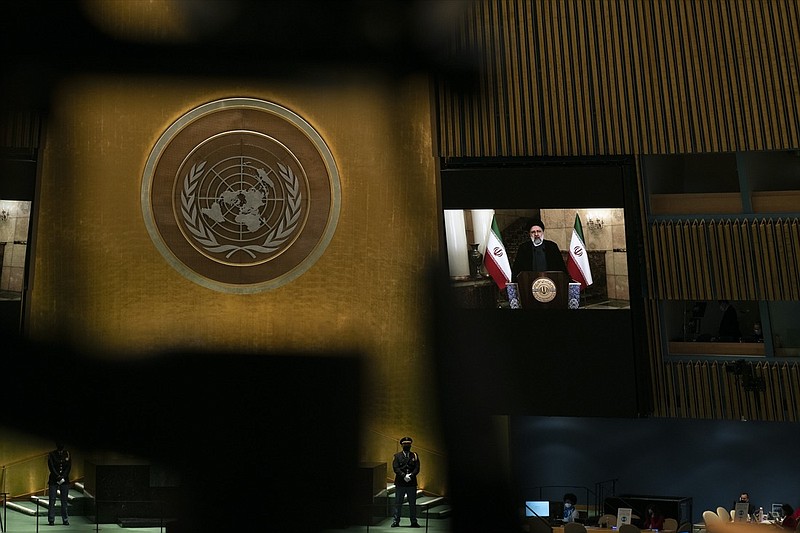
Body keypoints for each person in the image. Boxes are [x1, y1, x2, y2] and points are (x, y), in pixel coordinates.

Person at [392, 436, 421, 528]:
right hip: (400, 482)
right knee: (398, 503)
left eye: (408, 444)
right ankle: (396, 521)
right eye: (405, 444)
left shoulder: (414, 455)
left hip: (411, 483)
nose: (407, 446)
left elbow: (417, 468)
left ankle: (413, 521)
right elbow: (395, 468)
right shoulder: (397, 456)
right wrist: (404, 475)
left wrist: (411, 475)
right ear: (401, 445)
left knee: (412, 504)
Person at [47, 442, 71, 526]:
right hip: (54, 479)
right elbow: (51, 466)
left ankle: (65, 519)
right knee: (52, 500)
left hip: (64, 480)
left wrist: (63, 477)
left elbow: (68, 466)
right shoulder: (51, 454)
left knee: (64, 501)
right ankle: (51, 519)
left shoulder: (67, 454)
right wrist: (58, 476)